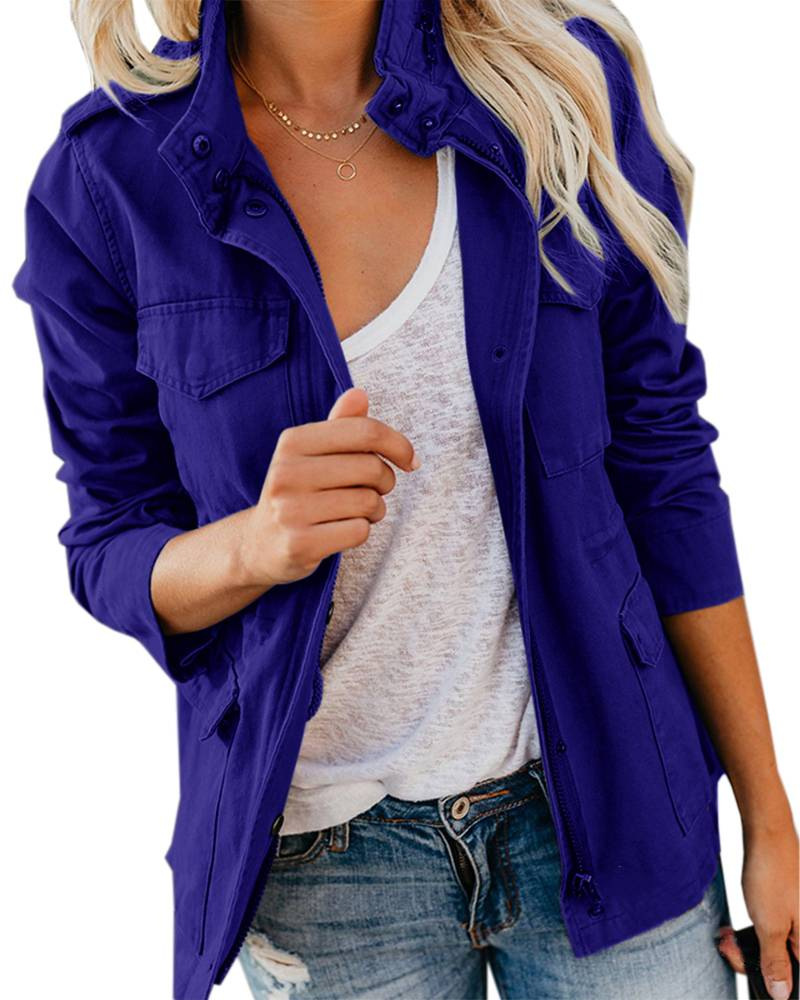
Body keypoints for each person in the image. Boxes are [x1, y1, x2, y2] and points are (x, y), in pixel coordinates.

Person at [12, 1, 798, 998]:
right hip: (326, 863)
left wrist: (767, 814)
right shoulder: (107, 177)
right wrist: (254, 544)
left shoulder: (557, 88)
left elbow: (664, 467)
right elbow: (109, 541)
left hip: (611, 805)